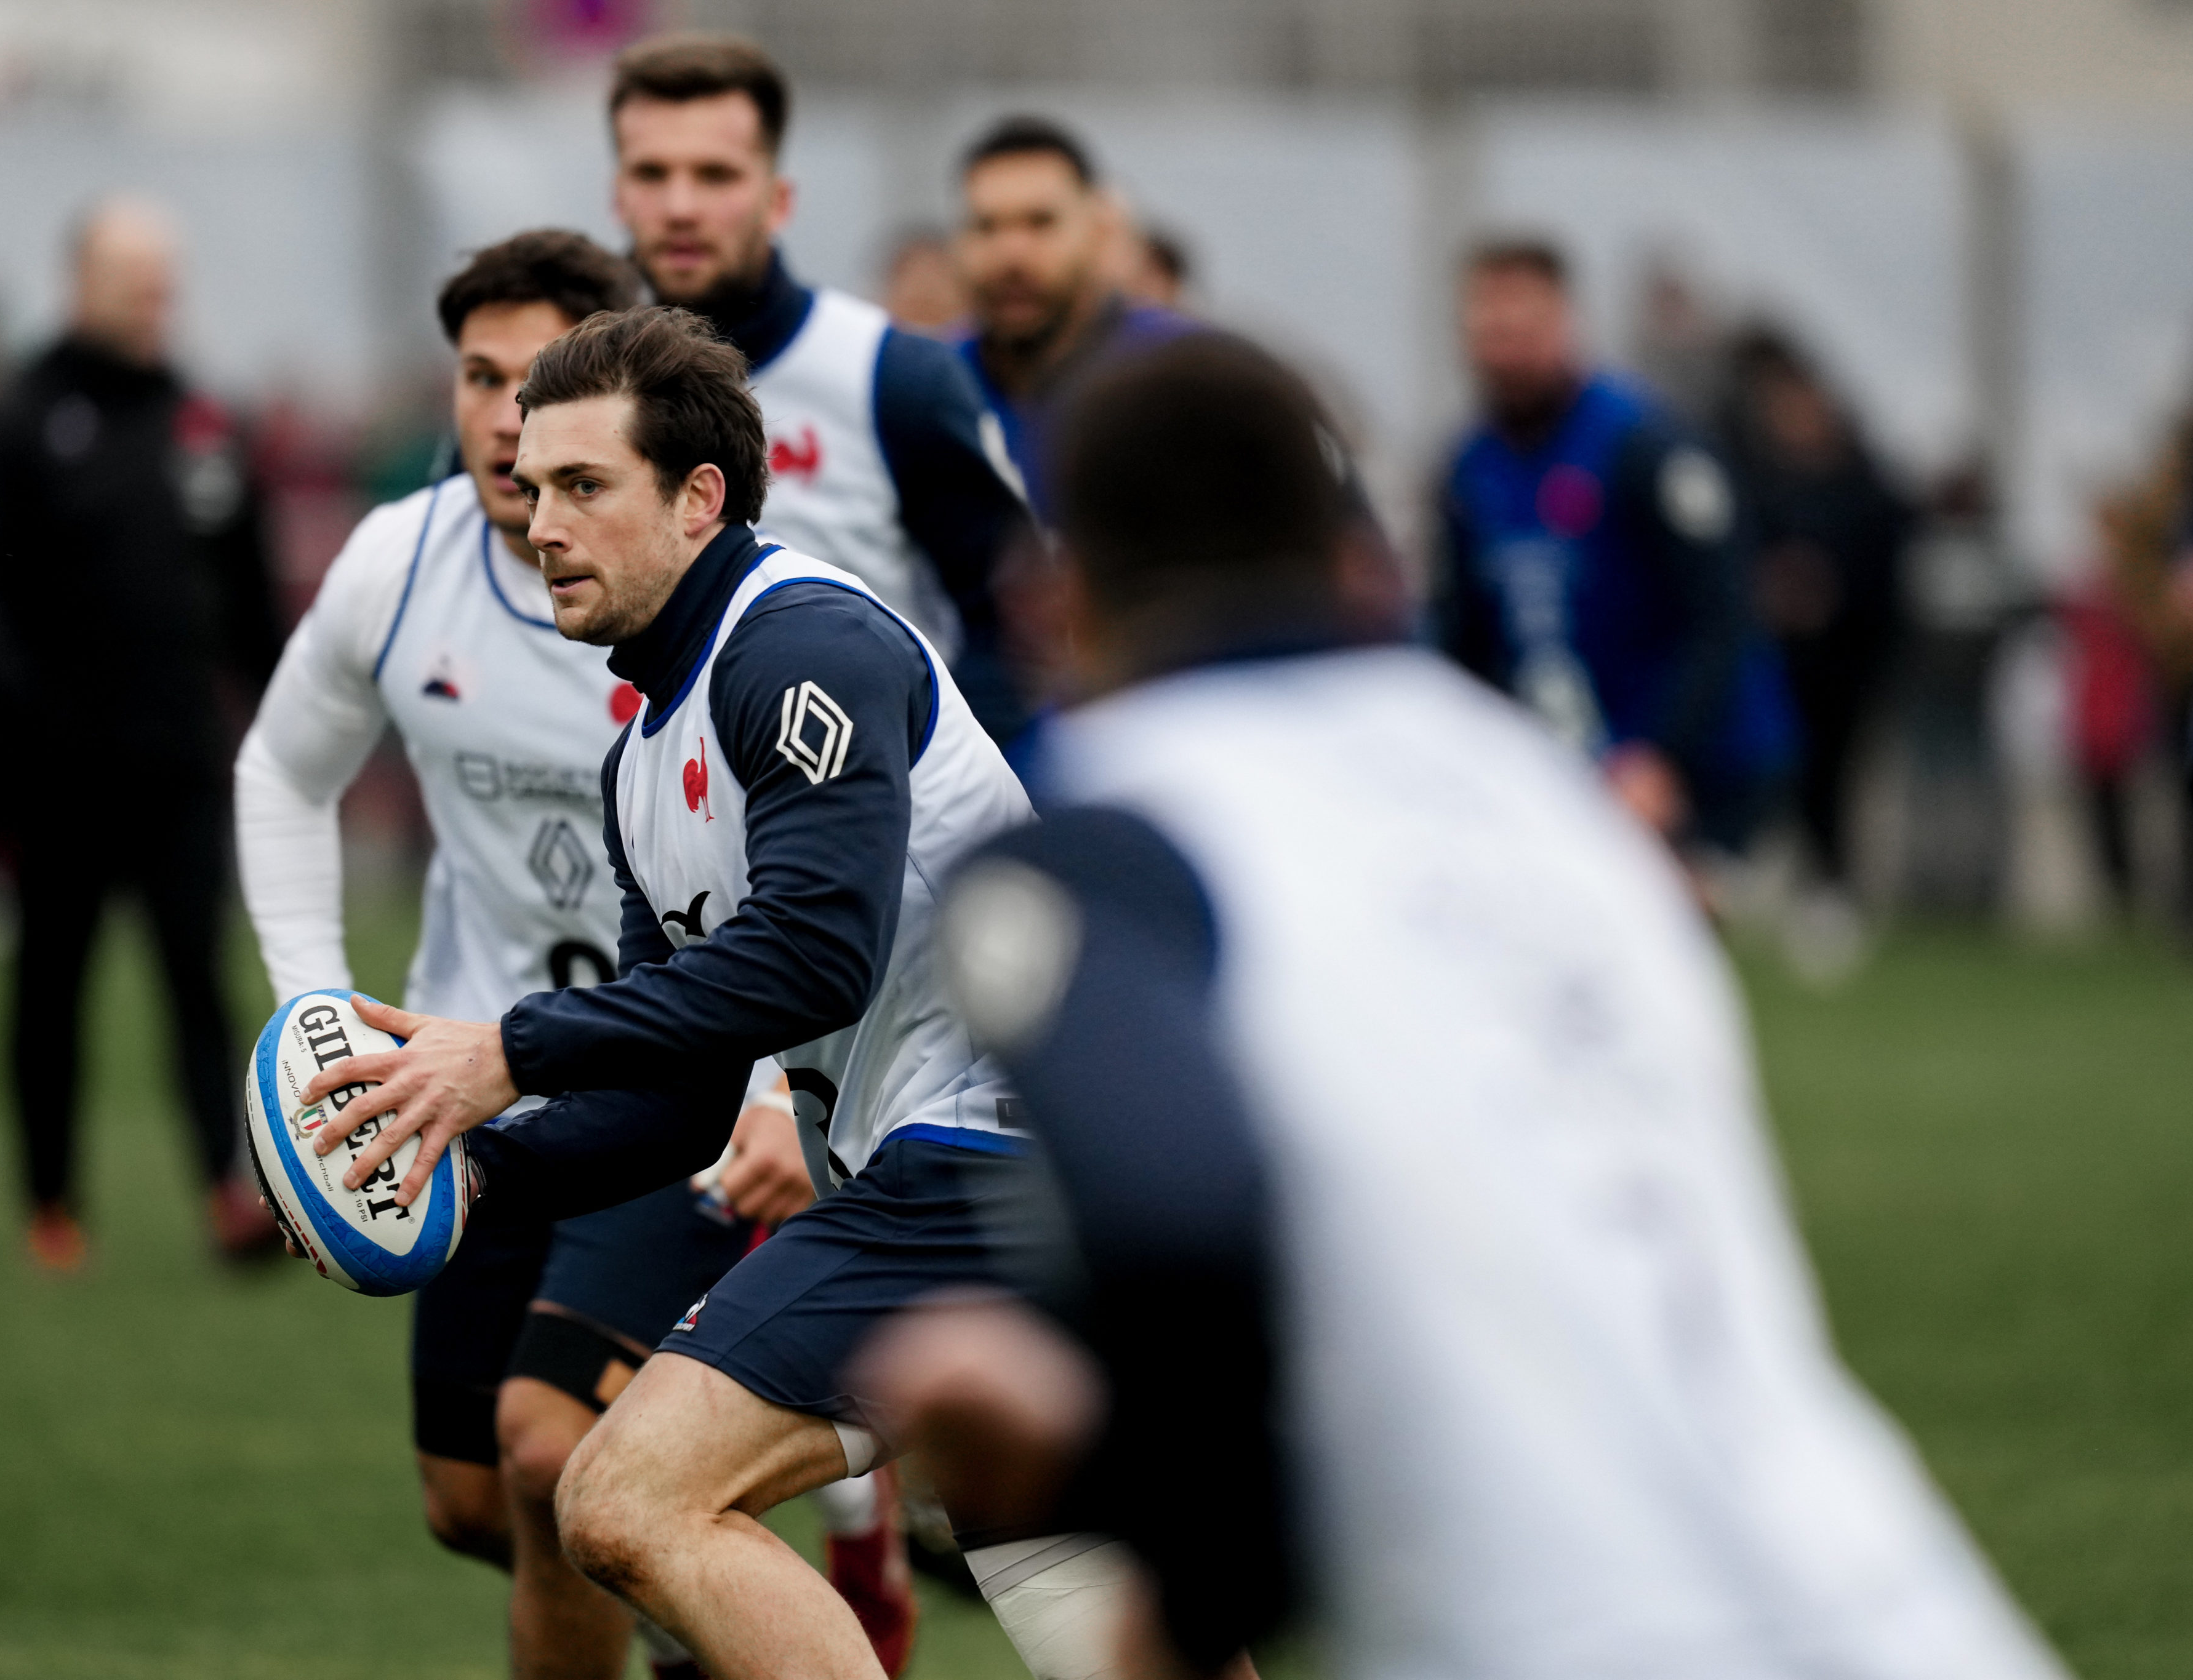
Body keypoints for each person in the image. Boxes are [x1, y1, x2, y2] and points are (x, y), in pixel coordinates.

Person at [865, 334, 2069, 1680]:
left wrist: (1159, 1545)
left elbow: (1176, 1224)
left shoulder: (1104, 838)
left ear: (1052, 601)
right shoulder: (1545, 800)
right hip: (1909, 1609)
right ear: (1362, 568)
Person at [292, 306, 1136, 1680]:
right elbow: (681, 1096)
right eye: (527, 479)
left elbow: (814, 953)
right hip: (989, 1182)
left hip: (988, 1164)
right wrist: (469, 1176)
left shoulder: (793, 645)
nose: (537, 517)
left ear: (697, 499)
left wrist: (505, 1048)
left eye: (581, 486)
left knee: (628, 1495)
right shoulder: (641, 754)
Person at [234, 231, 913, 1680]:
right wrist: (400, 1104)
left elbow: (810, 951)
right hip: (529, 1089)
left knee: (573, 1469)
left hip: (879, 1136)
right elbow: (281, 771)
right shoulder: (528, 647)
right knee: (481, 1498)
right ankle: (717, 1587)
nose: (503, 434)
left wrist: (748, 1101)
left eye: (553, 426)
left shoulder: (781, 634)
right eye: (481, 386)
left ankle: (769, 1538)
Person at [0, 196, 283, 1268]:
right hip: (56, 775)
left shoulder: (203, 421)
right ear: (80, 280)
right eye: (133, 275)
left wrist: (280, 715)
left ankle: (228, 1190)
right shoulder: (18, 418)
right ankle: (52, 1202)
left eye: (164, 277)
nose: (153, 296)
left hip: (177, 762)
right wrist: (18, 713)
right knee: (52, 990)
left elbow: (250, 597)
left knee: (197, 984)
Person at [604, 33, 1031, 741]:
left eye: (715, 175)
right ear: (619, 197)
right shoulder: (574, 394)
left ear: (778, 200)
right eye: (652, 174)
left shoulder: (894, 377)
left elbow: (1016, 629)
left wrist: (922, 796)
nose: (680, 206)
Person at [1434, 237, 1795, 858]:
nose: (1504, 351)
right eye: (1488, 330)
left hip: (1694, 765)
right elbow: (1469, 639)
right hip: (1576, 764)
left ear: (1565, 323)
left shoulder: (1644, 445)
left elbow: (1721, 614)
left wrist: (1659, 761)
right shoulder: (1470, 469)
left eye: (1521, 328)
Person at [1722, 327, 1910, 911]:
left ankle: (1830, 882)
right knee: (1774, 762)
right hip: (1777, 658)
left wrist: (1833, 593)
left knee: (1835, 772)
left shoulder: (1863, 481)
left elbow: (1891, 559)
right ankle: (1757, 868)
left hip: (1847, 658)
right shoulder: (1753, 479)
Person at [952, 115, 1198, 515]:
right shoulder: (924, 388)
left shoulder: (1188, 375)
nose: (1011, 255)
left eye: (1041, 223)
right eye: (986, 226)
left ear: (1097, 231)